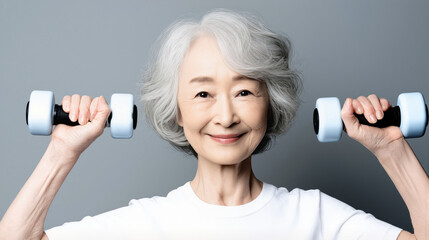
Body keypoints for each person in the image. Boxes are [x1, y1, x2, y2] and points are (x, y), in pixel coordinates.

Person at [0, 9, 427, 240]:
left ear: (269, 103)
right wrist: (62, 150)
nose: (225, 115)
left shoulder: (315, 217)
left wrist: (392, 149)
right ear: (177, 110)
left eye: (244, 91)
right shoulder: (145, 225)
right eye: (203, 94)